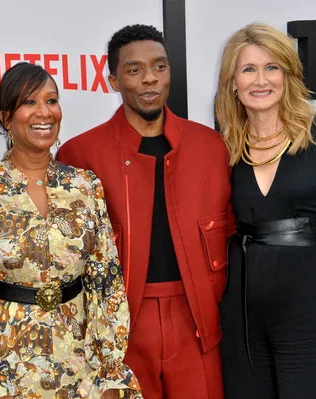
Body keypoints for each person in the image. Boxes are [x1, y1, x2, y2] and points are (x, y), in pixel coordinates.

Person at [56, 24, 232, 399]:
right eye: (134, 70)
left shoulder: (211, 147)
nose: (150, 78)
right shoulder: (79, 155)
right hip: (121, 327)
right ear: (113, 81)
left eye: (160, 66)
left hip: (197, 321)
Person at [0, 62, 141, 399]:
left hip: (79, 363)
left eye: (52, 101)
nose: (45, 112)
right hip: (5, 366)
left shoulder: (85, 186)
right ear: (6, 117)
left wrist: (109, 373)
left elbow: (106, 281)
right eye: (30, 102)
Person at [214, 22, 316, 398]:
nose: (260, 80)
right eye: (248, 69)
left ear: (289, 75)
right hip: (241, 323)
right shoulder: (221, 150)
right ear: (232, 82)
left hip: (312, 315)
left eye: (271, 67)